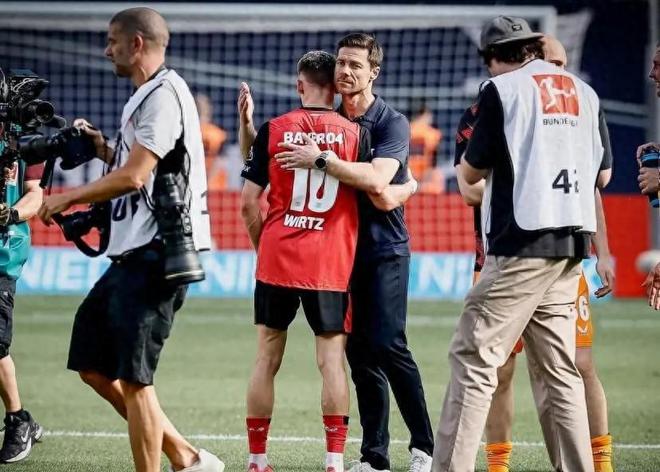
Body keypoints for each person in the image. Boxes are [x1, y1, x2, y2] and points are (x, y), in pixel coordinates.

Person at [36, 8, 222, 472]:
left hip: (159, 253)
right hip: (132, 255)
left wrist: (67, 198)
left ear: (137, 43)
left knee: (137, 379)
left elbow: (135, 176)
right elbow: (138, 166)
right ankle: (185, 456)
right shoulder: (146, 96)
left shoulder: (164, 95)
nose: (107, 50)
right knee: (91, 363)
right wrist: (103, 147)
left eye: (112, 40)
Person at [433, 17, 610, 472]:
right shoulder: (585, 94)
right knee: (560, 373)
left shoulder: (503, 90)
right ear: (531, 47)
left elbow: (471, 173)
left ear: (492, 57)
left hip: (520, 246)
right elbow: (603, 175)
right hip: (570, 248)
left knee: (474, 358)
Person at [274, 33, 434, 472]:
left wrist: (324, 161)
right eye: (341, 63)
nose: (344, 71)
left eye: (355, 65)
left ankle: (426, 448)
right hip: (339, 252)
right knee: (359, 355)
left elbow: (379, 183)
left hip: (384, 250)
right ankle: (374, 457)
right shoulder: (328, 118)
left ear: (373, 73)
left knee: (388, 343)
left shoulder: (390, 123)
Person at [240, 50, 366, 472]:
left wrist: (265, 249)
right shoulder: (354, 133)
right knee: (331, 362)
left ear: (299, 85)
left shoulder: (275, 129)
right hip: (329, 261)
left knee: (266, 359)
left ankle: (257, 461)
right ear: (337, 85)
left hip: (278, 256)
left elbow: (248, 203)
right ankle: (334, 461)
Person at [0, 133, 44, 463]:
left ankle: (18, 420)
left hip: (3, 254)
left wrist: (12, 214)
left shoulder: (23, 142)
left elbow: (35, 194)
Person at [195, 93, 228, 191]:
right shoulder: (190, 131)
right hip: (199, 183)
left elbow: (220, 160)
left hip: (213, 185)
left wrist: (208, 181)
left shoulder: (218, 134)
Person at [409, 105, 444, 193]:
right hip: (423, 172)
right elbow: (434, 158)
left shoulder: (406, 130)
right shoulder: (432, 134)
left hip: (410, 172)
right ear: (424, 115)